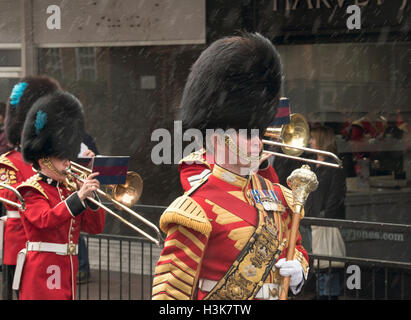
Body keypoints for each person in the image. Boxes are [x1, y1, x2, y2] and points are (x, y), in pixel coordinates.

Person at [152, 32, 309, 300]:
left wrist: (300, 271)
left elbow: (295, 247)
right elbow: (170, 297)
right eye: (247, 133)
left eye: (258, 132)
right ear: (217, 137)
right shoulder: (194, 211)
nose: (257, 143)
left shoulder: (280, 197)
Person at [14, 90, 105, 300]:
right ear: (44, 159)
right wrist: (78, 197)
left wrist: (91, 198)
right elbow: (45, 220)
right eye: (62, 157)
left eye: (69, 156)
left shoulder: (68, 189)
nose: (68, 162)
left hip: (67, 269)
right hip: (43, 271)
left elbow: (94, 228)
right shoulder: (30, 190)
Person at [0, 76, 61, 300]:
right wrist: (38, 184)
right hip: (20, 242)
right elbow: (8, 196)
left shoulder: (50, 161)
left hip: (51, 241)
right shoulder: (10, 160)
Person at [303, 126, 346, 300]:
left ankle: (328, 296)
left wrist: (323, 219)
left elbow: (335, 198)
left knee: (327, 267)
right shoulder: (311, 163)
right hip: (310, 221)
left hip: (322, 222)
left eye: (312, 138)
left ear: (322, 140)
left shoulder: (334, 165)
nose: (309, 142)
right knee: (319, 267)